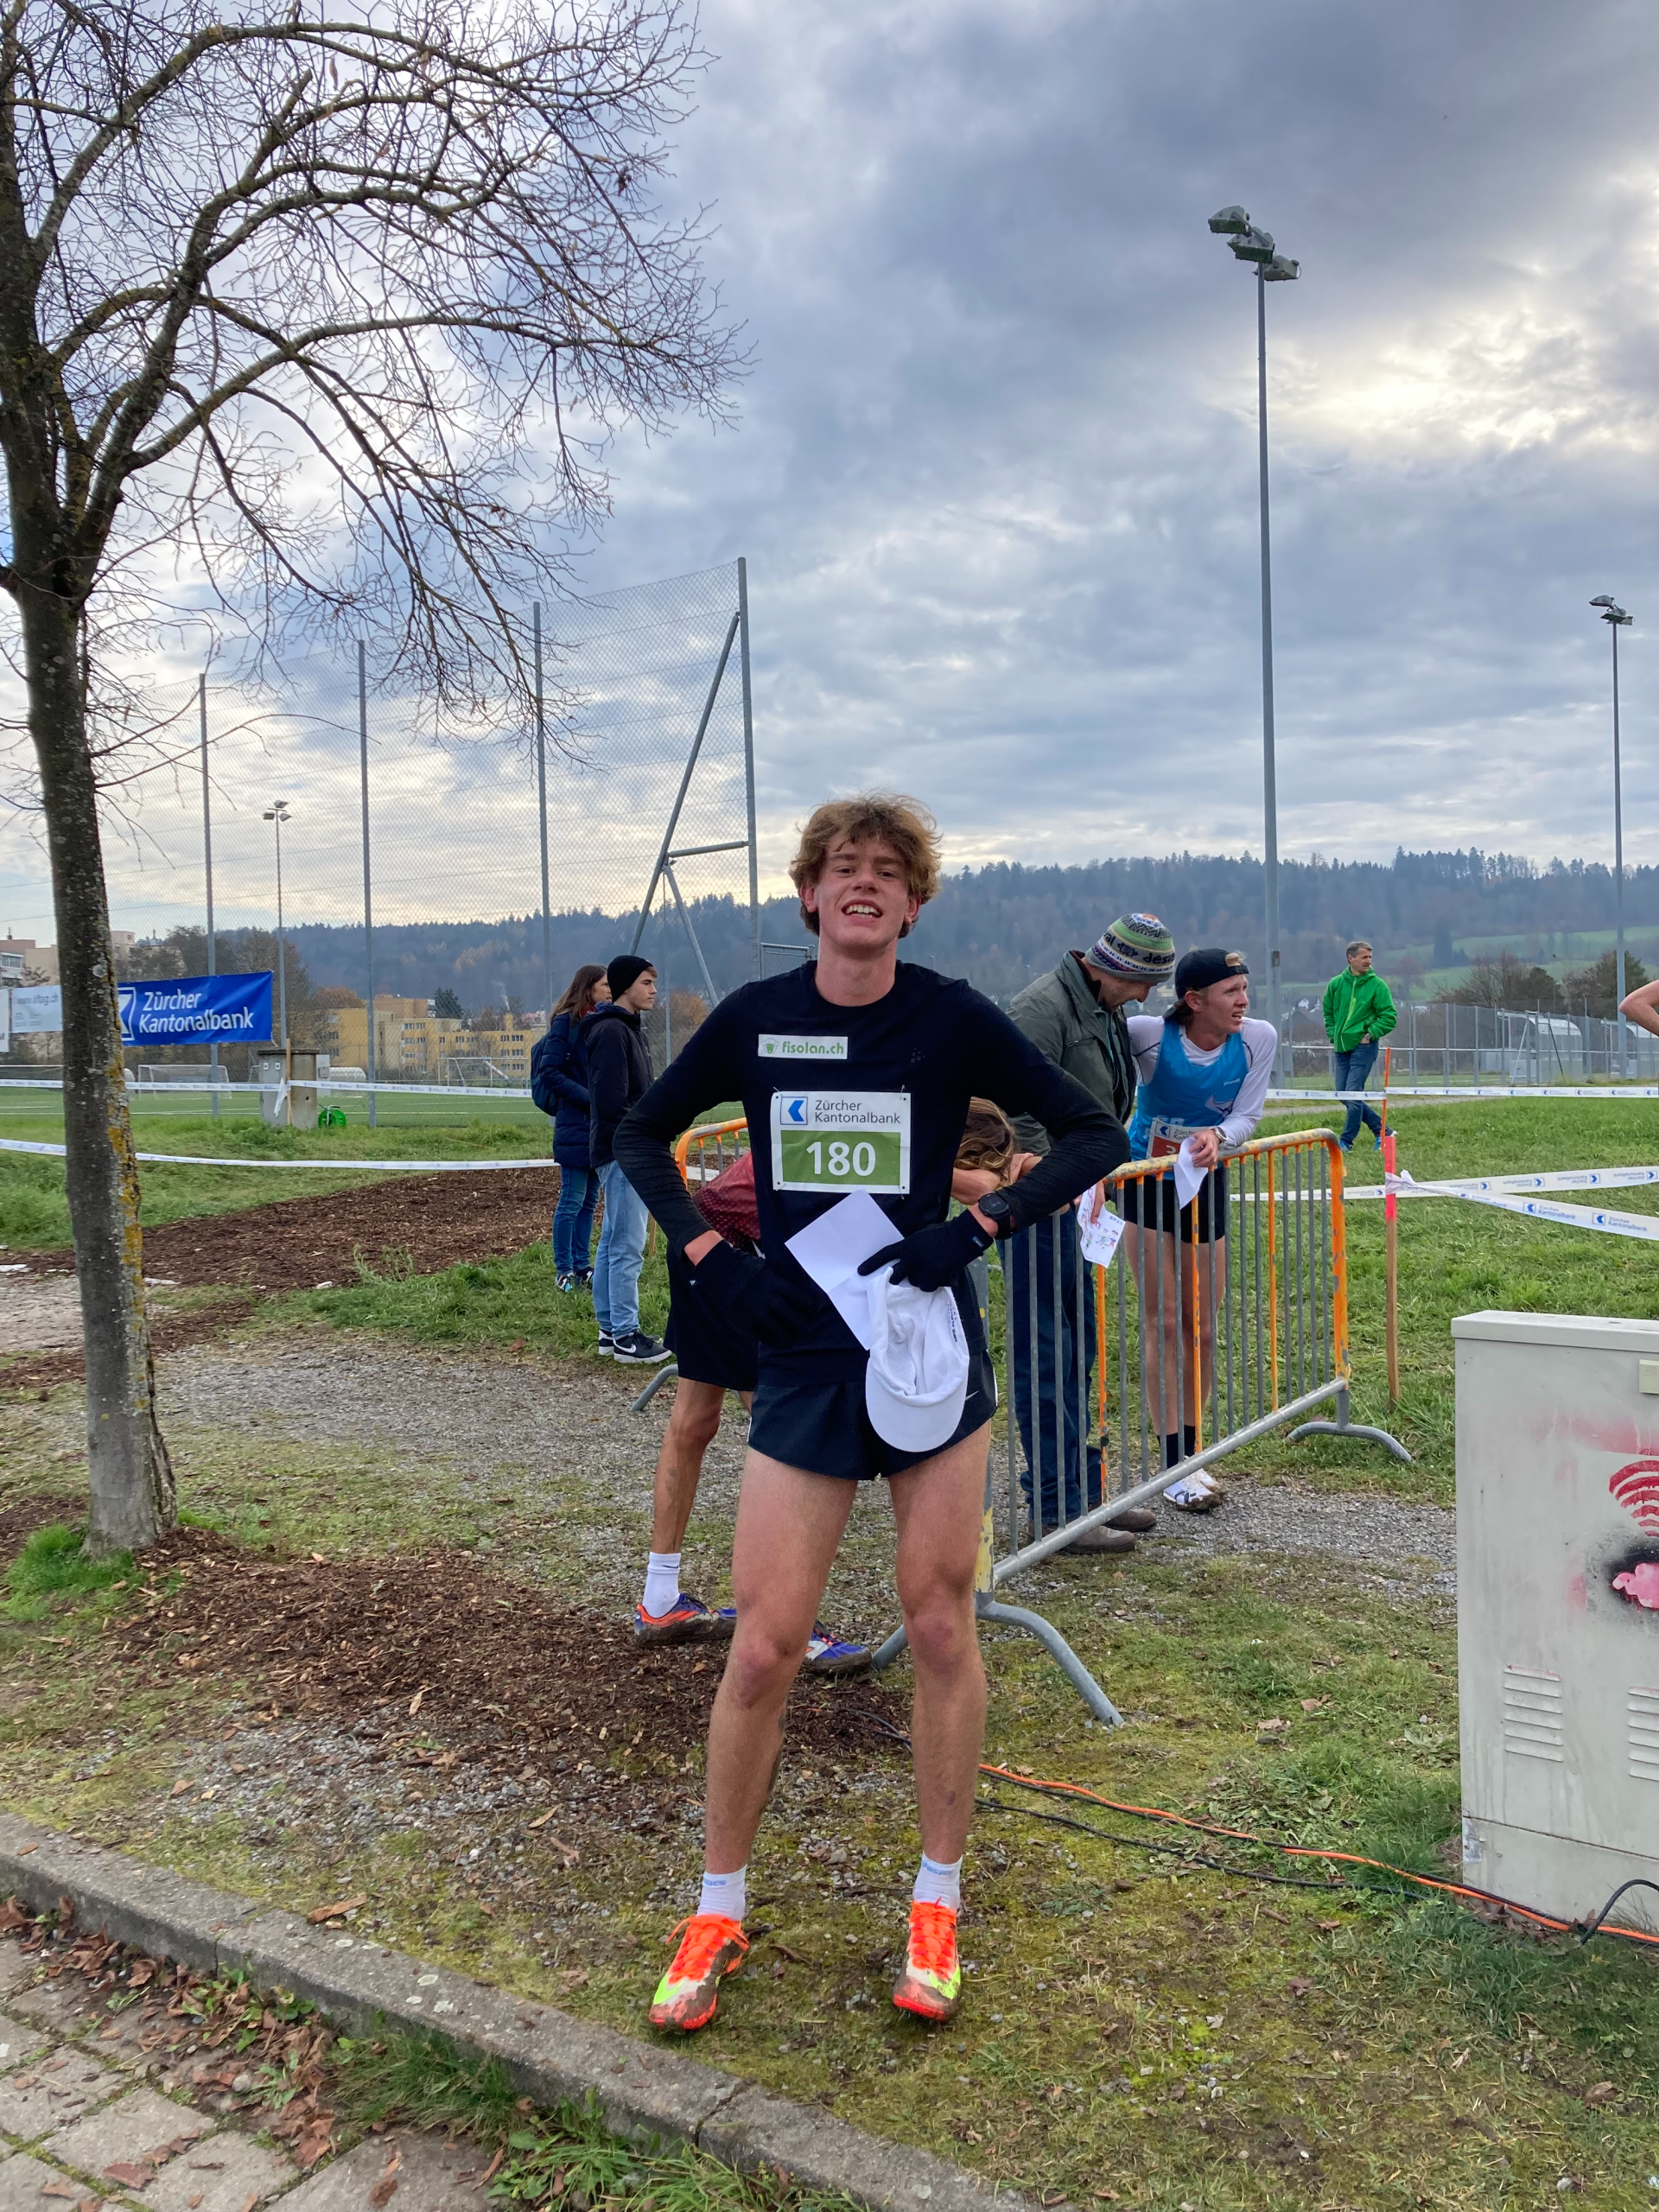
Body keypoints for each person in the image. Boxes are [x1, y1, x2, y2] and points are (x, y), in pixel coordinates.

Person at [613, 792, 1125, 2036]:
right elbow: (640, 1135)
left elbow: (1094, 1132)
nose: (865, 884)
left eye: (889, 872)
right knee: (762, 1644)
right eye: (844, 868)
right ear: (808, 895)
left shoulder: (949, 1018)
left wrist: (981, 1227)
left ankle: (936, 1900)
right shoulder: (754, 1018)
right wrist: (704, 1256)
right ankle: (718, 1906)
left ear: (912, 902)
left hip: (926, 1354)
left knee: (941, 1626)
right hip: (801, 1356)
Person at [635, 1143, 873, 1678]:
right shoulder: (887, 1136)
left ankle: (659, 1599)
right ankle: (787, 1622)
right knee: (784, 1432)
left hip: (713, 1246)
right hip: (732, 1255)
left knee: (695, 1420)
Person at [1005, 915, 1177, 1552]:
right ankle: (1054, 1511)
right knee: (1047, 1354)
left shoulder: (1097, 1006)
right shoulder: (1041, 1009)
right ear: (1116, 969)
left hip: (1077, 1201)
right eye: (1142, 984)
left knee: (1077, 1351)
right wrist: (1053, 1178)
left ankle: (1082, 1496)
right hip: (1040, 1203)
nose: (1144, 999)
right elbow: (1013, 1105)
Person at [1120, 948, 1277, 1510]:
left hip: (1205, 1180)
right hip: (1147, 1178)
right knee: (1162, 1321)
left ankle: (1196, 1451)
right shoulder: (1146, 1033)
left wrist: (1221, 1136)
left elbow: (1247, 1115)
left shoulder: (1258, 1038)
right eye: (1231, 991)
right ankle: (1173, 1464)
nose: (1244, 1001)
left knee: (1202, 1327)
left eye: (1244, 988)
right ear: (1194, 1000)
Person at [588, 954, 671, 1364]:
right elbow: (610, 1102)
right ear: (625, 988)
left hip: (623, 1149)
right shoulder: (610, 1033)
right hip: (623, 1151)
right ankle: (625, 1336)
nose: (653, 990)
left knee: (612, 1241)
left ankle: (610, 1331)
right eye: (646, 982)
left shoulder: (626, 1030)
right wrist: (639, 1139)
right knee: (627, 1245)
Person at [531, 963, 611, 1292]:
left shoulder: (600, 1022)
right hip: (574, 1125)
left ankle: (582, 1266)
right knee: (572, 1199)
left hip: (594, 1127)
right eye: (605, 984)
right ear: (589, 987)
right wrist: (589, 1099)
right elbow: (551, 1073)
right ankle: (563, 1270)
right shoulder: (565, 1022)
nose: (610, 989)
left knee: (589, 1200)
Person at [1322, 941, 1395, 1151]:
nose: (1368, 961)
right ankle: (1384, 1131)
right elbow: (1328, 1012)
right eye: (1364, 957)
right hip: (1341, 1047)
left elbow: (1389, 1016)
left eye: (1370, 957)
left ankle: (1345, 1142)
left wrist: (1370, 1034)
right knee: (1343, 1094)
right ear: (1350, 958)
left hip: (1364, 1047)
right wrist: (1333, 1035)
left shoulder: (1378, 985)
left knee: (1353, 1094)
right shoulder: (1336, 984)